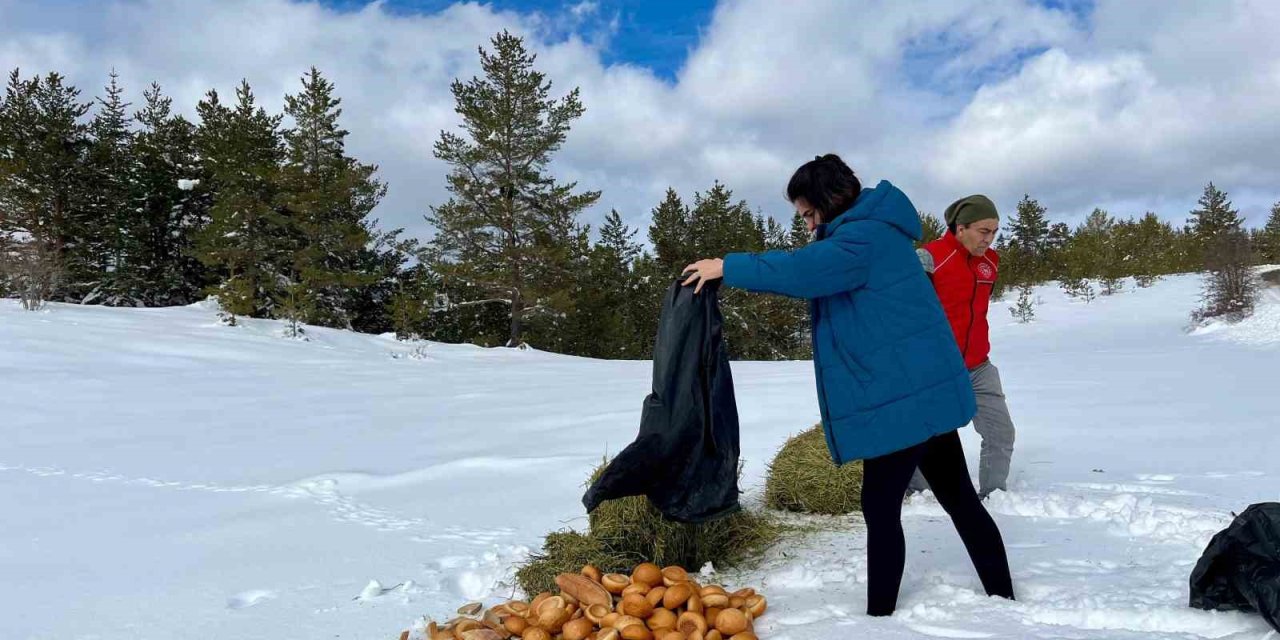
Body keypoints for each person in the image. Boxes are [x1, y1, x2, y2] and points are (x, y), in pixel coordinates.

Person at [681, 154, 1014, 617]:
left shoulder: (861, 239)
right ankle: (1003, 596)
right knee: (958, 498)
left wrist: (726, 266)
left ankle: (880, 619)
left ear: (827, 202)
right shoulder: (875, 230)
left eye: (807, 214)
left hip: (900, 399)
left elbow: (801, 271)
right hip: (923, 391)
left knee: (880, 507)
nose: (805, 224)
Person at [909, 196, 1017, 499]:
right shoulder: (929, 258)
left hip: (979, 366)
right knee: (925, 435)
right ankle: (919, 493)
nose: (990, 239)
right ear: (960, 227)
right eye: (984, 231)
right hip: (936, 370)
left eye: (995, 231)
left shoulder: (990, 263)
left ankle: (995, 496)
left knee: (1000, 432)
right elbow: (908, 315)